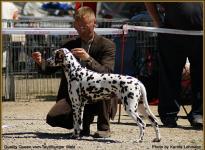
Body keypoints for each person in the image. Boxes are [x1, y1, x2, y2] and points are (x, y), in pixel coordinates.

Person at [32, 6, 118, 138]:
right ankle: (83, 125)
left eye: (85, 26)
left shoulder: (107, 45)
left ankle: (103, 128)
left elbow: (107, 73)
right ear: (74, 25)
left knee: (104, 86)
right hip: (75, 93)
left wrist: (88, 59)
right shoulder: (68, 44)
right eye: (78, 26)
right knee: (53, 118)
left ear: (94, 24)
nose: (81, 30)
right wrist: (40, 62)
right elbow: (49, 70)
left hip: (98, 92)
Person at [145, 2, 203, 128]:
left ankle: (199, 114)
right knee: (169, 75)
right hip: (171, 34)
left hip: (200, 35)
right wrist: (158, 22)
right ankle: (169, 115)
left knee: (201, 75)